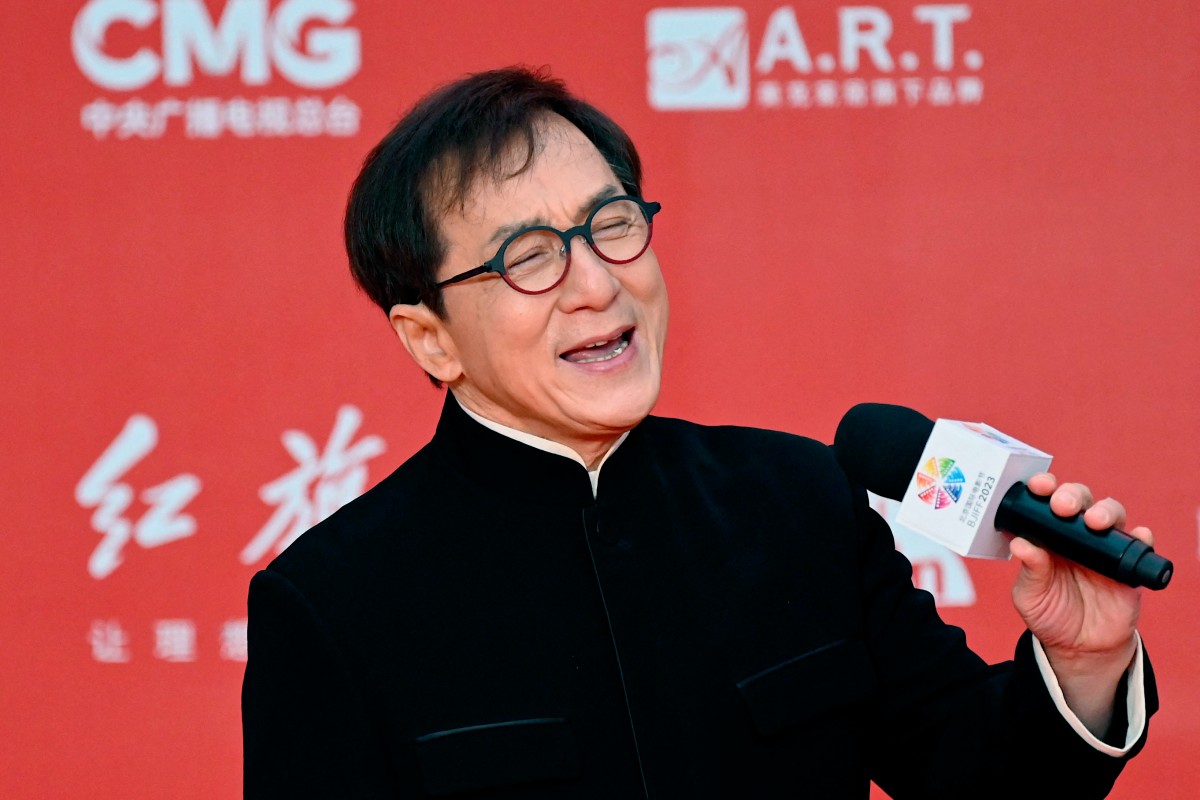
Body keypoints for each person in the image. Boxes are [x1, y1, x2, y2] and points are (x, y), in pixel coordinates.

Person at [241, 65, 1157, 799]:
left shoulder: (799, 501)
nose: (596, 283)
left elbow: (977, 775)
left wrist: (1082, 666)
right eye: (528, 258)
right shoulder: (332, 604)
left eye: (611, 226)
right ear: (429, 338)